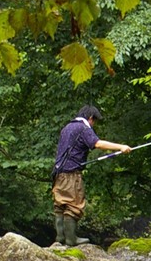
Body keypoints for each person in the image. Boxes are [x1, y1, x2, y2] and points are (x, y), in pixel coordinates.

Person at [52, 105, 131, 246]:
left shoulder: (67, 128)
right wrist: (121, 147)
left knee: (60, 205)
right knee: (72, 205)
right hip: (71, 174)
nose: (93, 124)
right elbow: (97, 143)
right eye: (94, 121)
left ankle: (60, 238)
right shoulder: (83, 128)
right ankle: (71, 239)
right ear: (90, 118)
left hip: (58, 173)